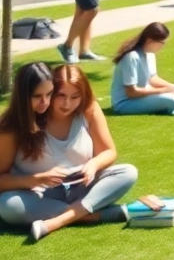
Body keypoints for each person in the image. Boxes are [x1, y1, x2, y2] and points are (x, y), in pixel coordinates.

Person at [0, 63, 139, 242]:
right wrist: (37, 179)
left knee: (128, 172)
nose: (68, 104)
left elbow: (109, 152)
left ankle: (55, 222)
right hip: (40, 194)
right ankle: (97, 214)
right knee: (7, 206)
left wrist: (93, 164)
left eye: (75, 97)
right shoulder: (12, 127)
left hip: (82, 185)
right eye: (60, 96)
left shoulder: (89, 109)